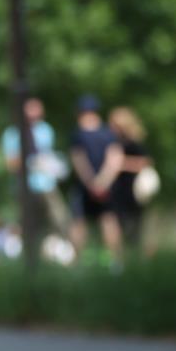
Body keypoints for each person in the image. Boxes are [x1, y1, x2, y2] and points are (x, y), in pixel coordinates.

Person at [69, 94, 124, 266]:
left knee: (79, 223)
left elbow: (79, 161)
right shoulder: (108, 134)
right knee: (109, 220)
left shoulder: (77, 135)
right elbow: (115, 159)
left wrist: (91, 183)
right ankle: (116, 263)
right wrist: (104, 182)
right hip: (106, 187)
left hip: (85, 187)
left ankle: (75, 264)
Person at [2, 97, 70, 235]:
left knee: (60, 218)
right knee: (27, 222)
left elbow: (48, 156)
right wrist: (31, 162)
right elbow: (10, 164)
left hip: (46, 183)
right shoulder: (12, 133)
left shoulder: (46, 130)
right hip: (25, 185)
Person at [108, 107, 152, 248]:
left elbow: (144, 163)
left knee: (133, 226)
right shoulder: (114, 142)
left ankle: (133, 254)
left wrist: (121, 164)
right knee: (118, 224)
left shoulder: (133, 143)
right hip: (118, 190)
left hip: (133, 189)